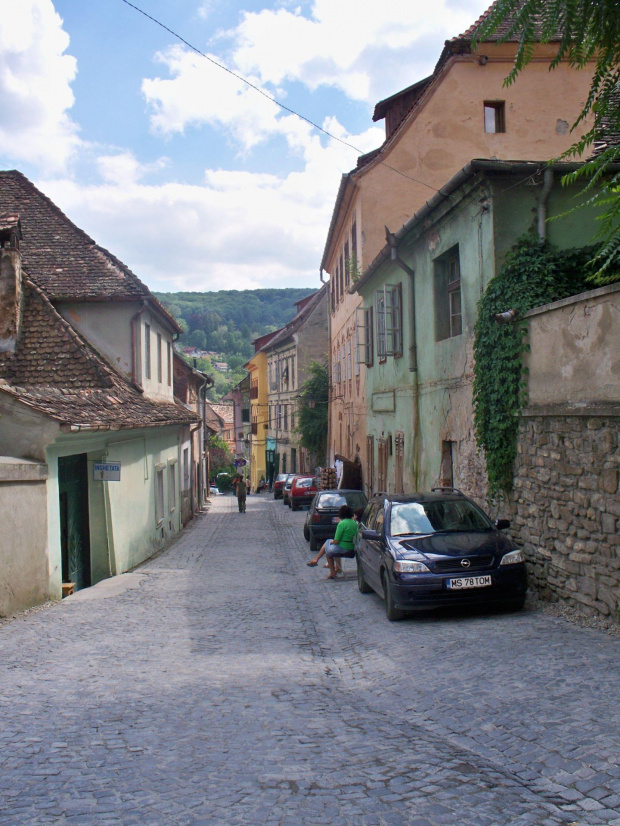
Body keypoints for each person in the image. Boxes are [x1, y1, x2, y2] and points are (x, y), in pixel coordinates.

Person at [306, 504, 359, 579]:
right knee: (329, 544)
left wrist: (332, 542)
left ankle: (332, 571)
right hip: (352, 548)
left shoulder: (342, 524)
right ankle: (334, 568)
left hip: (344, 549)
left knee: (328, 549)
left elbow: (336, 541)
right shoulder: (354, 523)